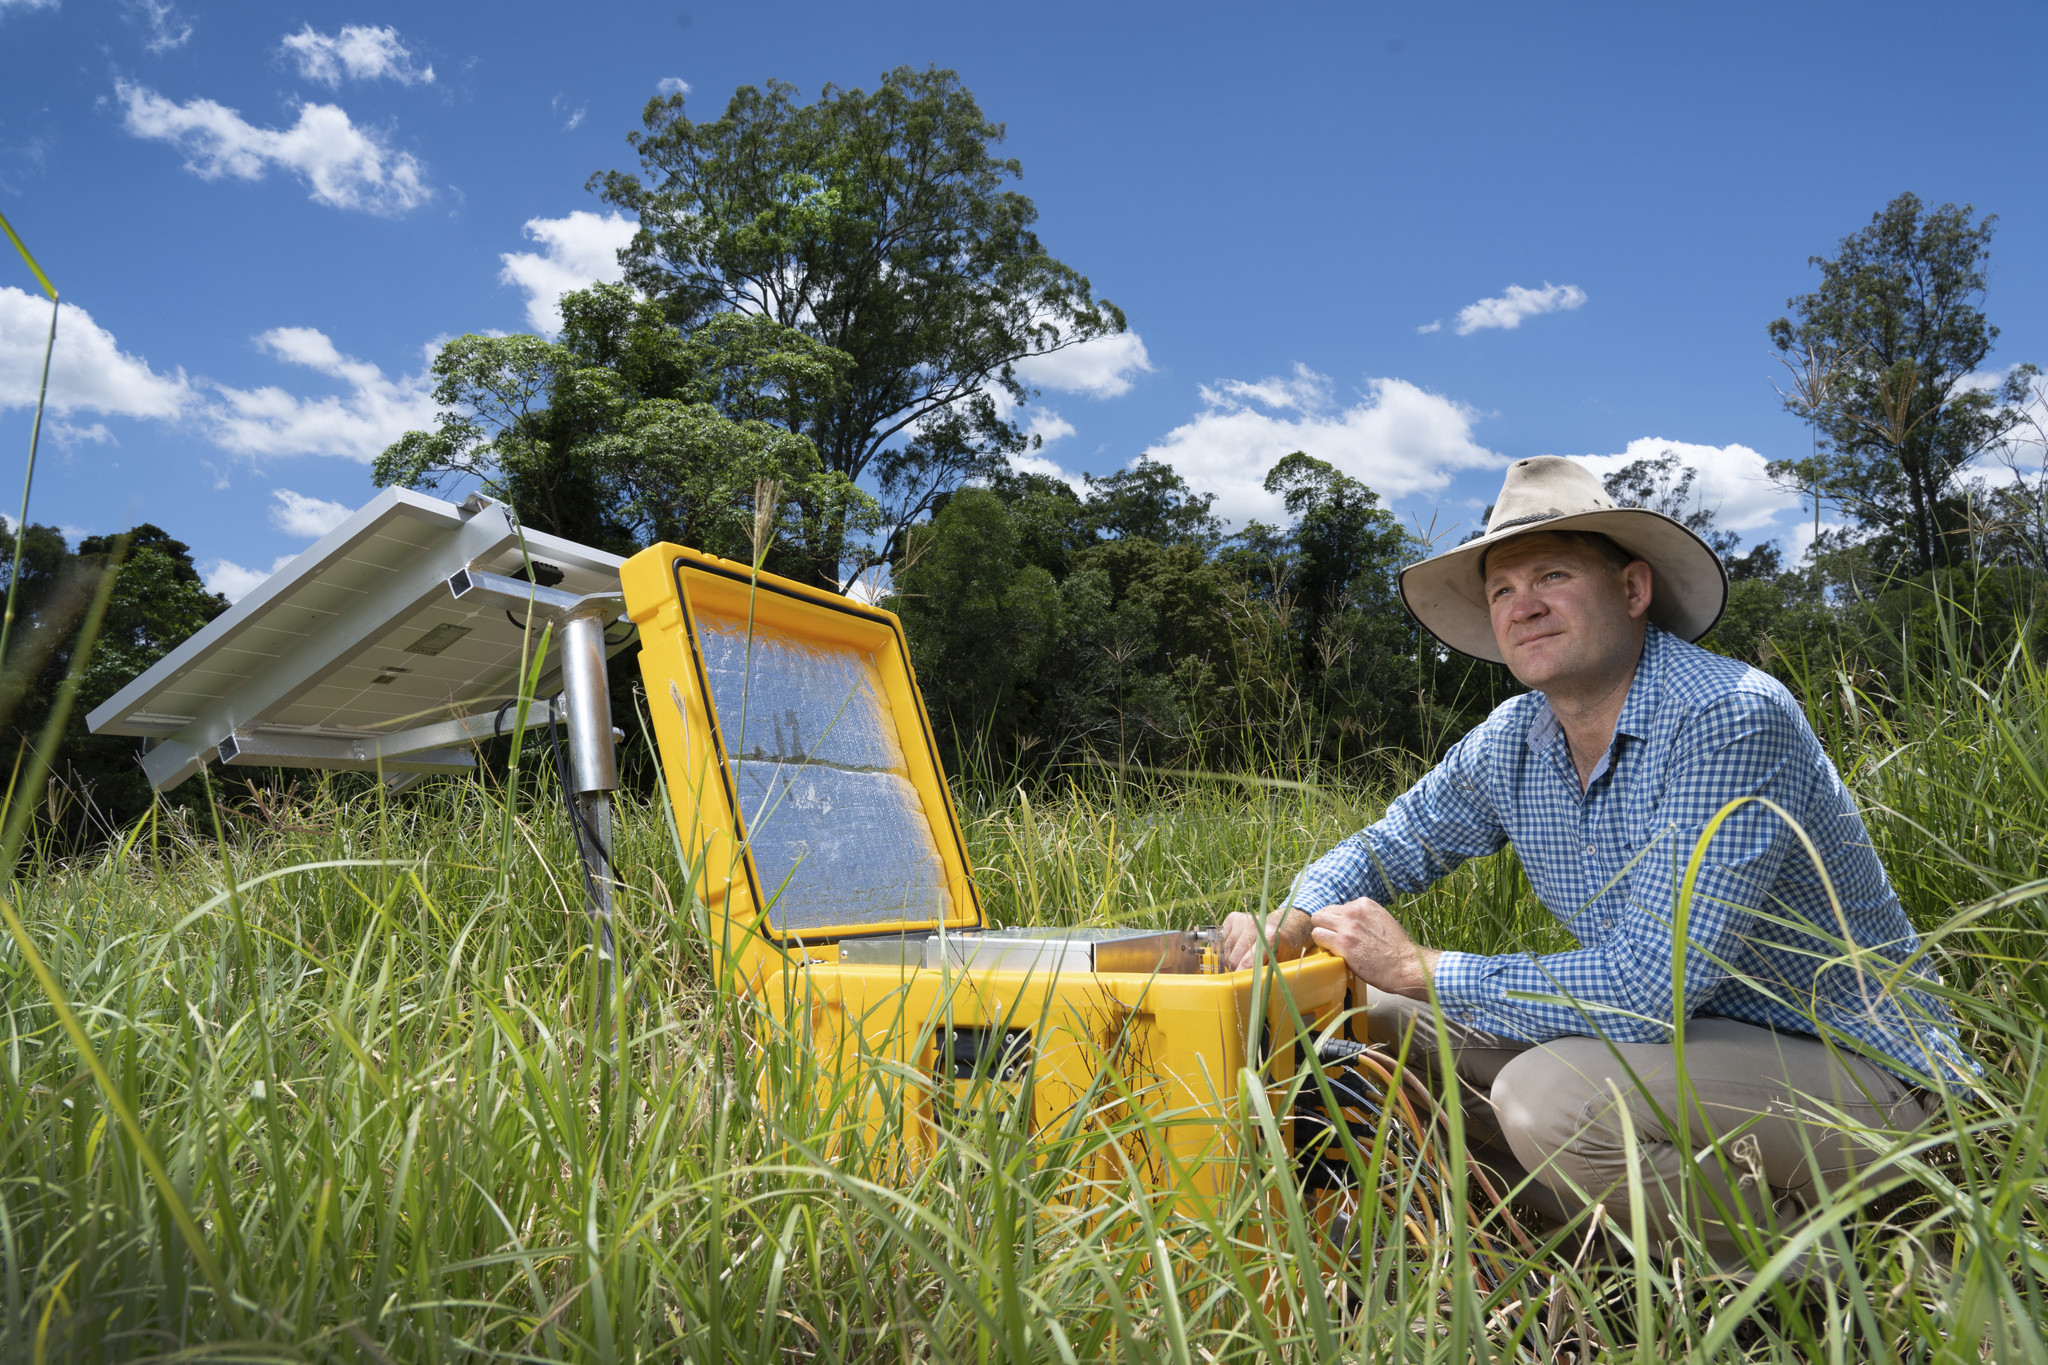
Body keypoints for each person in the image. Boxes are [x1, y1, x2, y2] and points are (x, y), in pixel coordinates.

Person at [1218, 455, 1973, 1273]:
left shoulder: (1727, 716)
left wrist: (1423, 964)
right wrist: (1292, 914)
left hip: (1867, 1075)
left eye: (1552, 574)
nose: (1523, 604)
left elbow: (1653, 990)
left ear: (1633, 590)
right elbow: (1390, 842)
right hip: (1692, 1047)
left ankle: (1853, 1275)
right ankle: (1598, 1250)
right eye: (1502, 590)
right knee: (1373, 1024)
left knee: (1552, 1097)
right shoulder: (1516, 738)